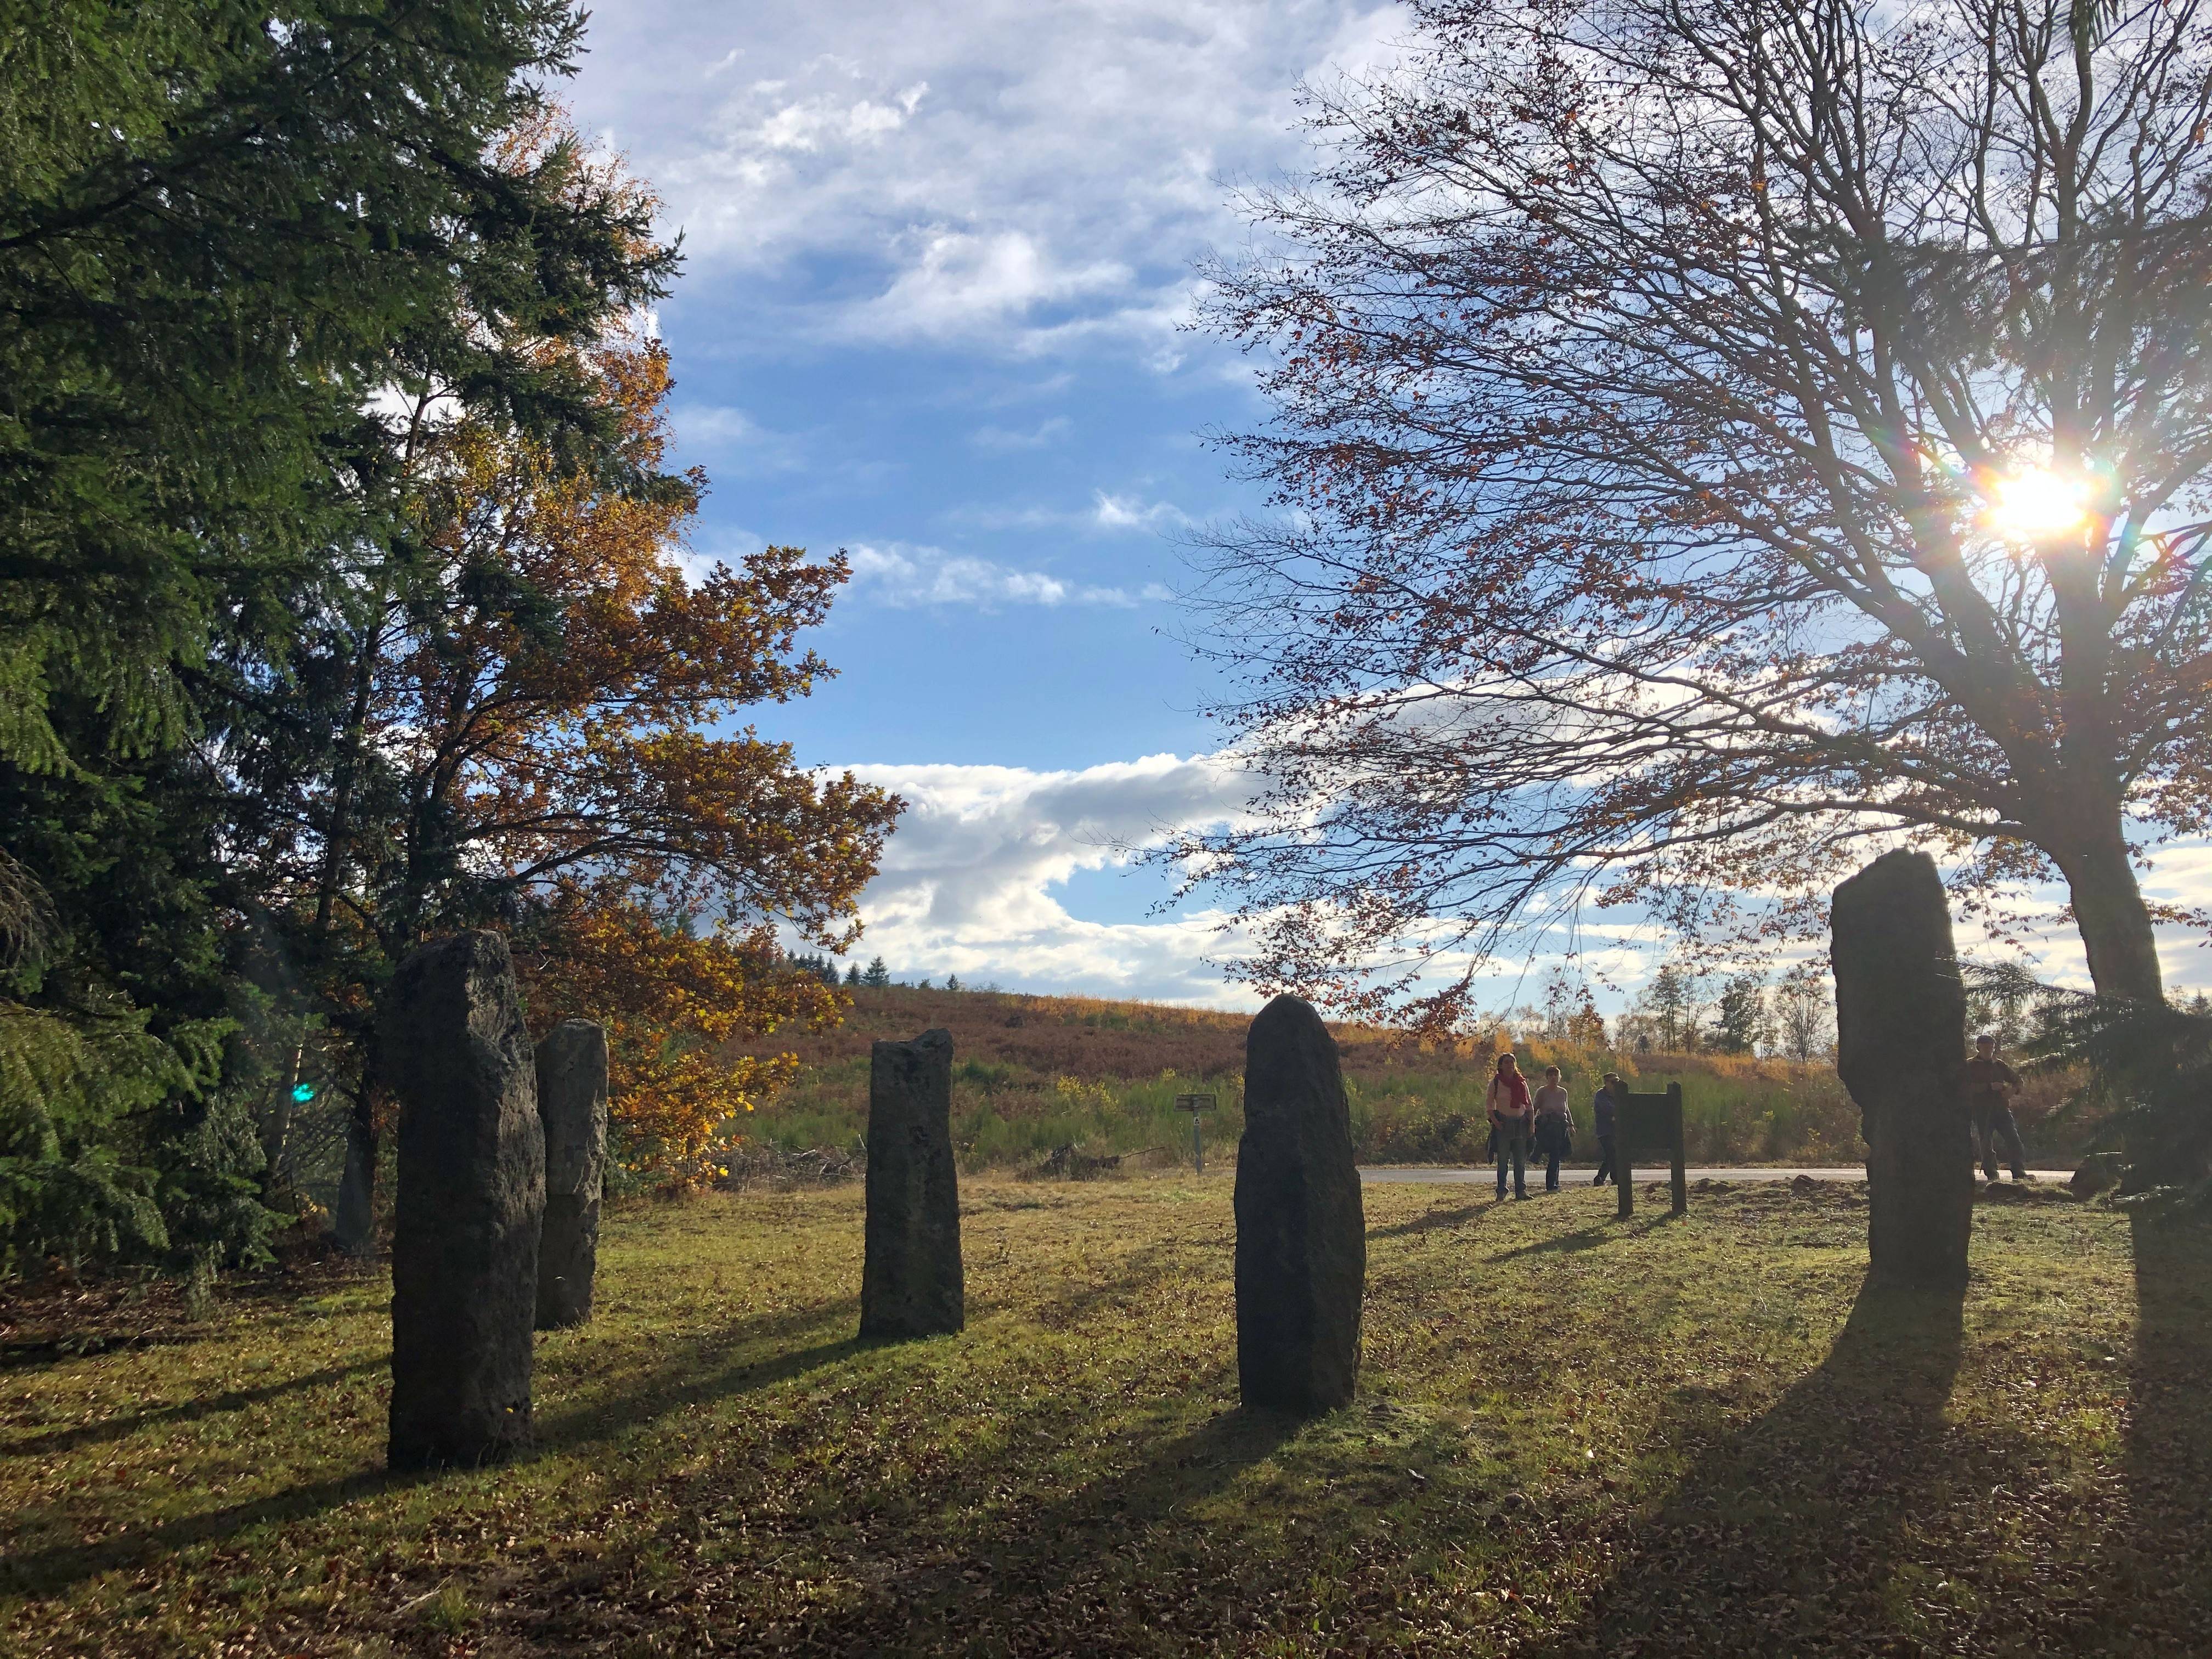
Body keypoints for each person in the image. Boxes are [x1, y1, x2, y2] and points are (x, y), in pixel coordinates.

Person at [1965, 1033, 2028, 1181]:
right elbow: (1965, 1087)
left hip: (2002, 1109)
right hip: (1982, 1110)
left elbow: (2018, 1081)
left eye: (1992, 1048)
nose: (1989, 1050)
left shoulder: (2000, 1064)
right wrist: (1988, 1087)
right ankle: (1992, 1174)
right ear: (1978, 1047)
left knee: (2014, 1140)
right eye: (1986, 1047)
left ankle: (2019, 1172)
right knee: (1986, 1143)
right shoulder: (1970, 1065)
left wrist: (2012, 1091)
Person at [1486, 1052, 1533, 1200]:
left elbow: (1529, 1105)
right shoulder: (1495, 1082)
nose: (1510, 1065)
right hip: (1503, 1124)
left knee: (1520, 1161)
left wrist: (1532, 1125)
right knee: (1503, 1161)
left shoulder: (1521, 1083)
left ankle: (1521, 1191)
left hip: (1520, 1124)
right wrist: (1496, 1122)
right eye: (1506, 1062)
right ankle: (1501, 1192)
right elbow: (1489, 1106)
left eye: (1512, 1062)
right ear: (1501, 1065)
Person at [1532, 1064, 1574, 1192]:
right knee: (1554, 1154)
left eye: (1555, 1075)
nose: (1553, 1078)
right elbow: (1535, 1108)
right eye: (1551, 1075)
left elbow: (1566, 1109)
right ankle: (1551, 1185)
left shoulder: (1563, 1092)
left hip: (1561, 1126)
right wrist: (1532, 1125)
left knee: (1558, 1155)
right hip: (1548, 1128)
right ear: (1547, 1077)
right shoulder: (1542, 1091)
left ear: (1559, 1077)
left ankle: (1555, 1182)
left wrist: (1571, 1125)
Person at [1590, 1073, 1622, 1187]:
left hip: (1617, 1131)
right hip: (1605, 1131)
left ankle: (1616, 1179)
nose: (1615, 1085)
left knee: (1615, 1155)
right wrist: (1617, 1113)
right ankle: (1600, 1178)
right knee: (1612, 1154)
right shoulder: (1601, 1095)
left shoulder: (1620, 1094)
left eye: (1617, 1082)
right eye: (1613, 1082)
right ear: (1606, 1083)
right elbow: (1608, 1109)